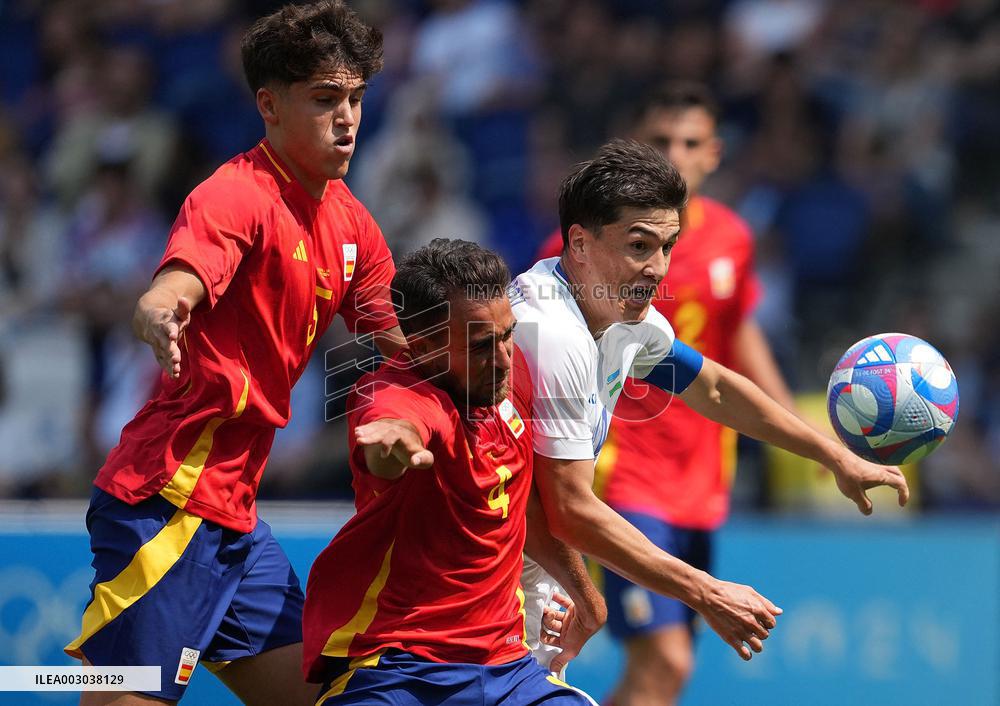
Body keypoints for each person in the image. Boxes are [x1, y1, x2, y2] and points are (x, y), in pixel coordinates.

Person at [64, 3, 404, 705]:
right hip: (170, 501)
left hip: (236, 524)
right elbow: (172, 287)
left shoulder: (351, 222)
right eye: (324, 99)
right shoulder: (233, 196)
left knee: (323, 699)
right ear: (269, 106)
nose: (346, 118)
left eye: (355, 99)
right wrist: (161, 311)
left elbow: (411, 344)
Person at [513, 139, 909, 675]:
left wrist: (833, 455)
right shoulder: (553, 332)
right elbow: (569, 509)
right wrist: (707, 593)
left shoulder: (626, 320)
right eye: (639, 245)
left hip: (521, 575)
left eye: (667, 247)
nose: (657, 268)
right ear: (579, 244)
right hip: (464, 580)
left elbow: (715, 389)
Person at [302, 239, 596, 705]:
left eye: (507, 335)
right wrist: (396, 446)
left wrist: (587, 598)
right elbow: (395, 431)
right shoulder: (392, 397)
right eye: (482, 345)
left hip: (509, 669)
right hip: (399, 667)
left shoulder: (507, 373)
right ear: (422, 347)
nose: (502, 358)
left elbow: (528, 510)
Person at [598, 82, 802, 706]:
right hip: (620, 476)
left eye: (689, 143)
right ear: (635, 146)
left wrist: (802, 434)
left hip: (701, 483)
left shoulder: (732, 241)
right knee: (665, 661)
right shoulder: (590, 243)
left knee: (660, 675)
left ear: (712, 154)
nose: (674, 155)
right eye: (659, 141)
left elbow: (736, 337)